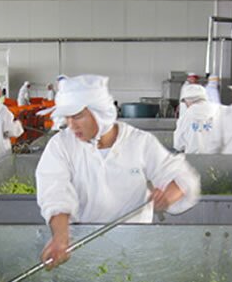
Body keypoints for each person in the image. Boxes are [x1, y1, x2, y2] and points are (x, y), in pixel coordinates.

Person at [35, 75, 200, 269]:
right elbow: (55, 193)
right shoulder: (61, 145)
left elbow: (182, 176)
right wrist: (61, 238)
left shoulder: (139, 142)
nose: (71, 125)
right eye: (67, 117)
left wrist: (168, 197)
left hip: (134, 252)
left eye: (77, 116)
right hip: (82, 251)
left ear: (99, 112)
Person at [173, 83, 220, 154]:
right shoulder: (218, 110)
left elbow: (178, 144)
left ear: (188, 100)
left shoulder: (186, 117)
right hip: (218, 157)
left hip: (193, 158)